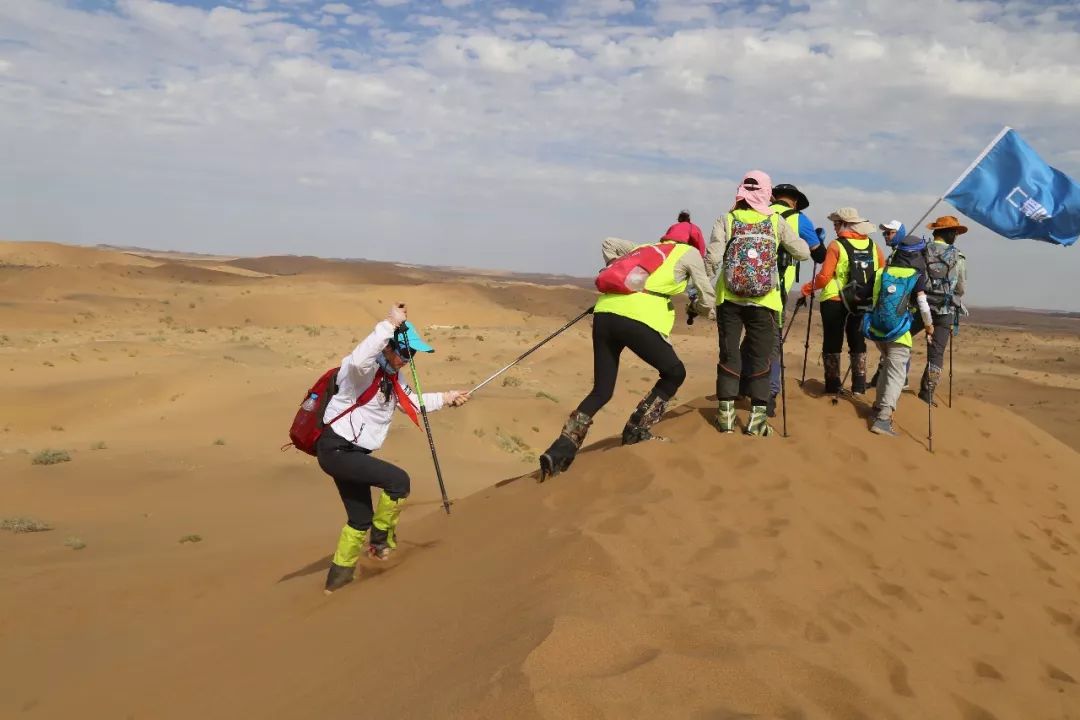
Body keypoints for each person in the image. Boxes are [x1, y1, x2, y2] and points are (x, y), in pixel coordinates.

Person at [319, 304, 470, 594]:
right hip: (336, 449)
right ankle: (381, 544)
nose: (406, 360)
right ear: (388, 347)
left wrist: (449, 397)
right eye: (403, 353)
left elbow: (412, 403)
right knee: (398, 481)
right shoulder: (361, 371)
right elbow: (357, 359)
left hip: (351, 454)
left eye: (411, 355)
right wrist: (389, 324)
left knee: (359, 520)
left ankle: (337, 581)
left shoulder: (394, 379)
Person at [539, 233, 715, 478]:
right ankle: (637, 430)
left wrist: (618, 273)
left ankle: (560, 450)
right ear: (695, 243)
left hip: (605, 314)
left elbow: (608, 243)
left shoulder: (646, 249)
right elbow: (707, 299)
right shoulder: (690, 253)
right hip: (636, 320)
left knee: (601, 391)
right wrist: (702, 310)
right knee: (675, 372)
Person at [706, 171, 810, 436]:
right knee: (761, 355)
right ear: (767, 192)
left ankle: (725, 417)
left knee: (730, 352)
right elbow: (804, 252)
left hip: (729, 298)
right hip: (766, 300)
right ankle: (757, 421)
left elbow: (713, 257)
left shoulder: (727, 219)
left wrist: (702, 290)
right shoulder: (775, 221)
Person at [739, 183, 827, 416]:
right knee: (772, 342)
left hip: (742, 286)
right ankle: (769, 395)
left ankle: (740, 385)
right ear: (795, 201)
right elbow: (819, 254)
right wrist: (817, 238)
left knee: (750, 336)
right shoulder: (798, 219)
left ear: (773, 198)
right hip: (774, 291)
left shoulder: (755, 214)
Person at [799, 207, 885, 395]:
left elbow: (824, 277)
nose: (835, 228)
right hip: (862, 299)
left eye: (837, 224)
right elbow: (881, 272)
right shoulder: (873, 246)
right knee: (857, 339)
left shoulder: (836, 245)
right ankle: (859, 386)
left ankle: (832, 385)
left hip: (834, 299)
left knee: (832, 341)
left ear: (847, 224)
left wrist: (806, 289)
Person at [863, 233, 936, 436]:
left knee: (888, 367)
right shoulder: (916, 276)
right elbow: (922, 304)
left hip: (878, 331)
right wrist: (929, 326)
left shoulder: (881, 271)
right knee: (896, 374)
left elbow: (863, 295)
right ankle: (884, 419)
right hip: (900, 333)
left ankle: (878, 406)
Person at [918, 215, 968, 405]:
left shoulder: (922, 251)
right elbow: (961, 288)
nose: (956, 236)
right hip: (945, 310)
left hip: (919, 307)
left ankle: (891, 381)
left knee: (901, 342)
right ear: (946, 233)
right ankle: (927, 392)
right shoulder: (959, 256)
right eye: (954, 232)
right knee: (937, 352)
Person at [870, 220, 922, 388]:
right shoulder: (898, 252)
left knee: (897, 343)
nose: (886, 236)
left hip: (908, 308)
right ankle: (886, 379)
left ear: (899, 233)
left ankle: (898, 381)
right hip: (900, 307)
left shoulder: (906, 253)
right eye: (885, 233)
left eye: (890, 232)